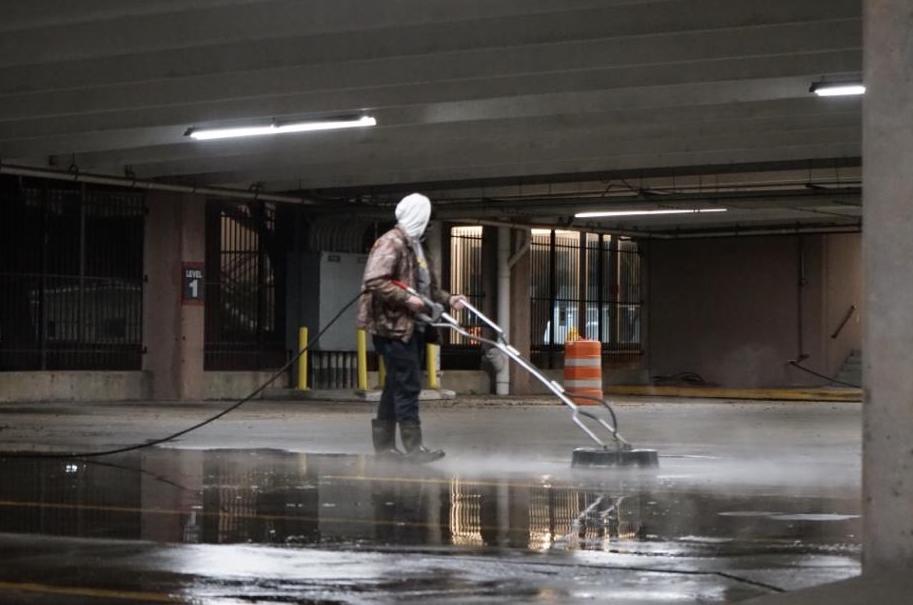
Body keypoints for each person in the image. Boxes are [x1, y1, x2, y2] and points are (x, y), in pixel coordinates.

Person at [357, 193, 466, 463]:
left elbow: (426, 288)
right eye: (427, 218)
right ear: (418, 216)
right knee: (408, 385)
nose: (430, 225)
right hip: (392, 327)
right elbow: (375, 280)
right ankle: (413, 447)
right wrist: (407, 299)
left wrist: (449, 299)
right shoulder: (391, 243)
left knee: (396, 384)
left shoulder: (416, 246)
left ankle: (384, 449)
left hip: (411, 327)